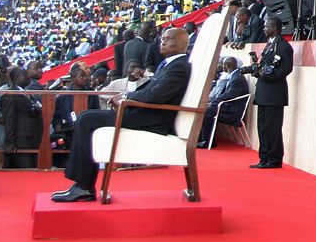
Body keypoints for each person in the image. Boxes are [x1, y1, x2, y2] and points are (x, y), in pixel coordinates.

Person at [50, 27, 192, 202]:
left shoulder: (179, 67)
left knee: (86, 119)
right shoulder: (171, 64)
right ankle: (82, 185)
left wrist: (125, 97)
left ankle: (83, 186)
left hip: (151, 119)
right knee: (87, 117)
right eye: (162, 38)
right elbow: (153, 92)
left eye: (169, 39)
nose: (162, 41)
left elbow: (155, 95)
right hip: (144, 113)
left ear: (183, 43)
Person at [246, 18, 294, 169]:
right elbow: (264, 65)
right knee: (263, 127)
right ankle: (264, 157)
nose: (264, 29)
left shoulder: (283, 46)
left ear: (275, 28)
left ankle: (274, 159)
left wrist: (266, 75)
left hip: (274, 94)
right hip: (263, 92)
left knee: (273, 128)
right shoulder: (270, 44)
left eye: (267, 27)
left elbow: (286, 69)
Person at [198, 56, 250, 148]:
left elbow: (229, 95)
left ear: (227, 65)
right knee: (204, 110)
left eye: (223, 65)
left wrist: (213, 102)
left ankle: (208, 142)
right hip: (227, 107)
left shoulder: (238, 78)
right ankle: (203, 140)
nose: (222, 67)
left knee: (206, 113)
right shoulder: (234, 75)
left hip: (233, 111)